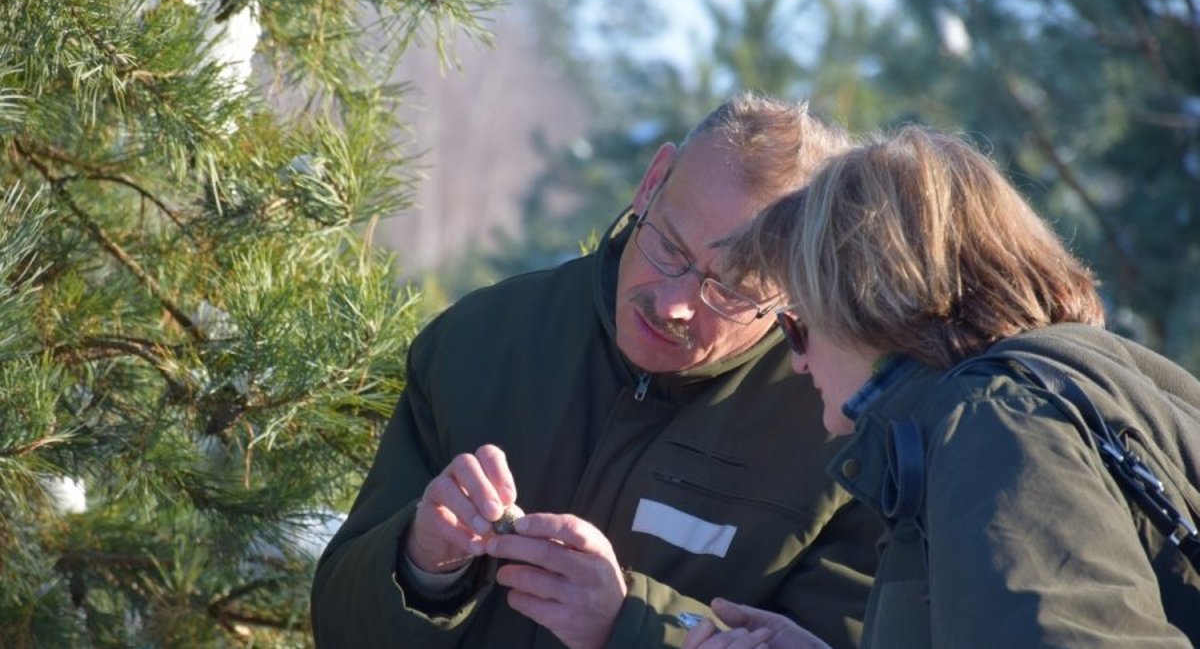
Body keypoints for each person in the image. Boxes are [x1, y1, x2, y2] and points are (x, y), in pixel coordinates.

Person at [310, 92, 883, 649]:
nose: (673, 304)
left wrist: (629, 626)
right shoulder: (483, 341)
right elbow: (339, 625)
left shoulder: (840, 435)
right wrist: (419, 563)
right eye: (669, 248)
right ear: (651, 183)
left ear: (796, 295)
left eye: (729, 290)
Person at [684, 124, 1200, 649]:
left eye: (798, 327)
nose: (796, 363)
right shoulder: (1062, 387)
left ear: (863, 307)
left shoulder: (996, 426)